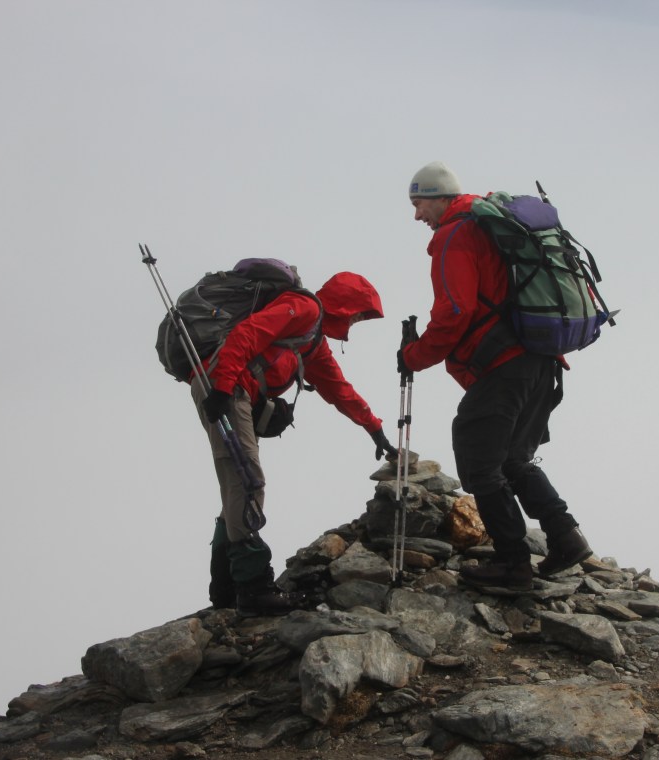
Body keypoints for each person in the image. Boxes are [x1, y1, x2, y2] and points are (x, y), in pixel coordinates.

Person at [397, 161, 593, 591]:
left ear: (441, 198)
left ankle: (512, 563)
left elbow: (454, 312)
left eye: (420, 203)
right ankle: (566, 538)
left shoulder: (454, 234)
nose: (417, 216)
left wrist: (414, 355)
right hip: (544, 360)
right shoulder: (492, 224)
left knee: (479, 460)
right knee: (512, 460)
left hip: (506, 365)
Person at [196, 269, 397, 616]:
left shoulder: (313, 341)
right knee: (247, 481)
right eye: (360, 313)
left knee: (239, 483)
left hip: (233, 388)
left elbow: (339, 389)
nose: (358, 321)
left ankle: (227, 588)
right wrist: (223, 387)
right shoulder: (303, 309)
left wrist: (374, 428)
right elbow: (247, 334)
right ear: (345, 306)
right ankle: (253, 588)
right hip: (226, 385)